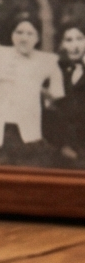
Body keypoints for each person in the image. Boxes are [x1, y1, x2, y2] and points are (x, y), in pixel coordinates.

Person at [0, 12, 65, 165]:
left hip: (29, 129)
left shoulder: (46, 61)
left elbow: (57, 92)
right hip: (0, 126)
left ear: (37, 38)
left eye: (30, 34)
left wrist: (44, 95)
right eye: (19, 32)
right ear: (12, 35)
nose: (24, 38)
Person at [48, 18, 85, 167]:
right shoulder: (58, 70)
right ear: (62, 43)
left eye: (80, 39)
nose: (74, 46)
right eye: (68, 40)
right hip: (63, 147)